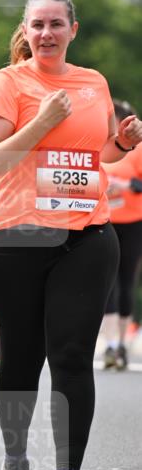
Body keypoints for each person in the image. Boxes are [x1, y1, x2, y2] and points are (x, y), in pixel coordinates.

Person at [0, 0, 142, 470]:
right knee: (22, 358)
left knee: (71, 355)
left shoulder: (93, 83)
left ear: (74, 29)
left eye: (55, 24)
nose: (46, 34)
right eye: (37, 25)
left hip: (86, 235)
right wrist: (41, 122)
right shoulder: (9, 83)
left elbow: (94, 156)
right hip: (17, 238)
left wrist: (122, 143)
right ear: (25, 31)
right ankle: (17, 466)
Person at [101, 99, 142, 370]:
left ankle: (123, 346)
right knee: (106, 282)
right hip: (104, 221)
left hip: (133, 222)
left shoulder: (137, 151)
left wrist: (124, 185)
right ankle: (110, 344)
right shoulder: (100, 148)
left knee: (126, 281)